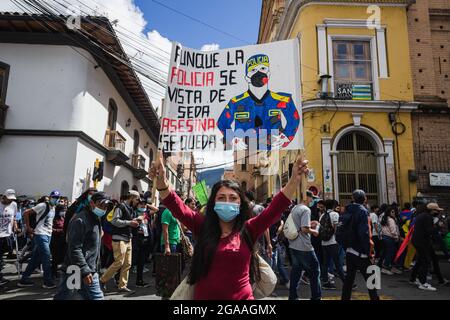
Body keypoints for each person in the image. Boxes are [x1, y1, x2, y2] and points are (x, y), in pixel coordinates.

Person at [149, 151, 309, 300]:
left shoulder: (250, 229)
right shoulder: (202, 225)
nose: (227, 202)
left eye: (233, 198)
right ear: (213, 203)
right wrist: (162, 182)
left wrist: (294, 179)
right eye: (221, 198)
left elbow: (275, 209)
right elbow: (177, 206)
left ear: (241, 204)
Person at [217, 54, 300, 151]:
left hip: (272, 151)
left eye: (263, 68)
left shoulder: (282, 99)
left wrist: (286, 136)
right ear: (247, 78)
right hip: (246, 152)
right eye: (253, 70)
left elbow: (294, 119)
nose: (259, 72)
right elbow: (222, 122)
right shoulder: (236, 102)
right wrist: (233, 139)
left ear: (268, 74)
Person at [54, 192, 111, 300]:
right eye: (101, 204)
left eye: (106, 206)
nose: (103, 208)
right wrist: (85, 270)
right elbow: (74, 248)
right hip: (75, 269)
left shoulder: (96, 218)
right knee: (69, 296)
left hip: (88, 268)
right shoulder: (80, 220)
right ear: (91, 203)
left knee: (77, 296)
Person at [341, 189, 379, 300]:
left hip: (349, 250)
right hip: (361, 252)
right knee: (372, 279)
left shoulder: (346, 210)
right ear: (364, 198)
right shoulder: (363, 211)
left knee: (349, 280)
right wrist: (370, 252)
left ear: (353, 199)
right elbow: (365, 233)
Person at [100, 190, 141, 293]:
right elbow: (114, 220)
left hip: (128, 238)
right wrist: (129, 222)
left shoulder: (130, 208)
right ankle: (102, 280)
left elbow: (127, 221)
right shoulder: (121, 207)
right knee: (119, 262)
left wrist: (135, 220)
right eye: (137, 199)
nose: (138, 202)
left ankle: (122, 285)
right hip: (119, 239)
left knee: (127, 264)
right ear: (131, 198)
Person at [18, 190, 61, 289]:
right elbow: (26, 212)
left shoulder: (53, 208)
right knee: (46, 257)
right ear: (50, 197)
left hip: (48, 235)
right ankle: (47, 281)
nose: (55, 199)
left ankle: (23, 280)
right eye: (54, 197)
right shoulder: (42, 205)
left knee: (35, 259)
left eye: (57, 198)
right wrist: (28, 227)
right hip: (40, 234)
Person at [288, 201, 322, 300]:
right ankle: (316, 297)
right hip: (304, 247)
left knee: (296, 272)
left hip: (293, 245)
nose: (313, 201)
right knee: (315, 272)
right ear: (308, 198)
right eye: (312, 199)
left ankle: (292, 296)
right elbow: (304, 229)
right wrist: (314, 231)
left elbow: (299, 225)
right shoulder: (306, 209)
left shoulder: (294, 209)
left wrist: (310, 224)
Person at [320, 199, 346, 290]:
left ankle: (326, 282)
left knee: (325, 263)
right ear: (334, 206)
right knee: (338, 263)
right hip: (333, 242)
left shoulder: (322, 215)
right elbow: (336, 229)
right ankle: (346, 282)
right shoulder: (335, 214)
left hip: (324, 242)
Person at [0, 189, 18, 286]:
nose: (11, 200)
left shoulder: (14, 204)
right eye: (9, 199)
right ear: (4, 197)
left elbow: (14, 217)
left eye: (12, 199)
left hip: (7, 235)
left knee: (2, 256)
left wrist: (15, 226)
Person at [133, 200, 151, 288]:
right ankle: (118, 278)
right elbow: (137, 221)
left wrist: (147, 206)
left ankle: (139, 280)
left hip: (145, 239)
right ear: (137, 205)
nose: (143, 206)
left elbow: (156, 210)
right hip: (136, 239)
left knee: (141, 261)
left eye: (144, 204)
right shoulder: (134, 213)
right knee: (131, 261)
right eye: (141, 204)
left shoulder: (146, 214)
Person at [380, 206, 402, 275]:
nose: (394, 213)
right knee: (391, 253)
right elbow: (393, 230)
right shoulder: (391, 220)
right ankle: (385, 267)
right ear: (388, 212)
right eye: (392, 211)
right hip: (390, 238)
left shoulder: (385, 218)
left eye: (394, 211)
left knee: (388, 252)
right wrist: (396, 237)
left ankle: (389, 267)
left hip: (385, 237)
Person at [50, 204, 66, 279]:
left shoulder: (63, 218)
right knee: (55, 258)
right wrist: (59, 230)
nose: (63, 212)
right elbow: (51, 229)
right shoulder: (53, 218)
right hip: (55, 241)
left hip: (62, 241)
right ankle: (53, 273)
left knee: (61, 257)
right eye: (62, 210)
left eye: (64, 210)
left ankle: (58, 271)